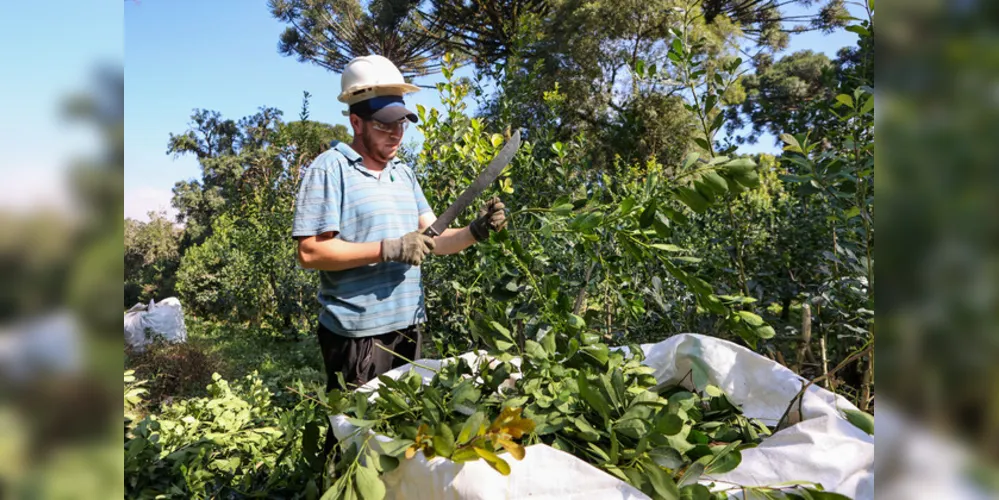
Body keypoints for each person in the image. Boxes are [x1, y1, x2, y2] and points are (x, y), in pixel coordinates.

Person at [291, 54, 506, 423]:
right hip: (358, 336)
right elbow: (310, 252)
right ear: (356, 122)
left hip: (408, 327)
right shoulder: (331, 169)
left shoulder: (403, 174)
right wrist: (389, 249)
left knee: (402, 432)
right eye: (384, 125)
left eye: (402, 124)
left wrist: (474, 231)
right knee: (357, 436)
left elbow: (433, 239)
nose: (396, 134)